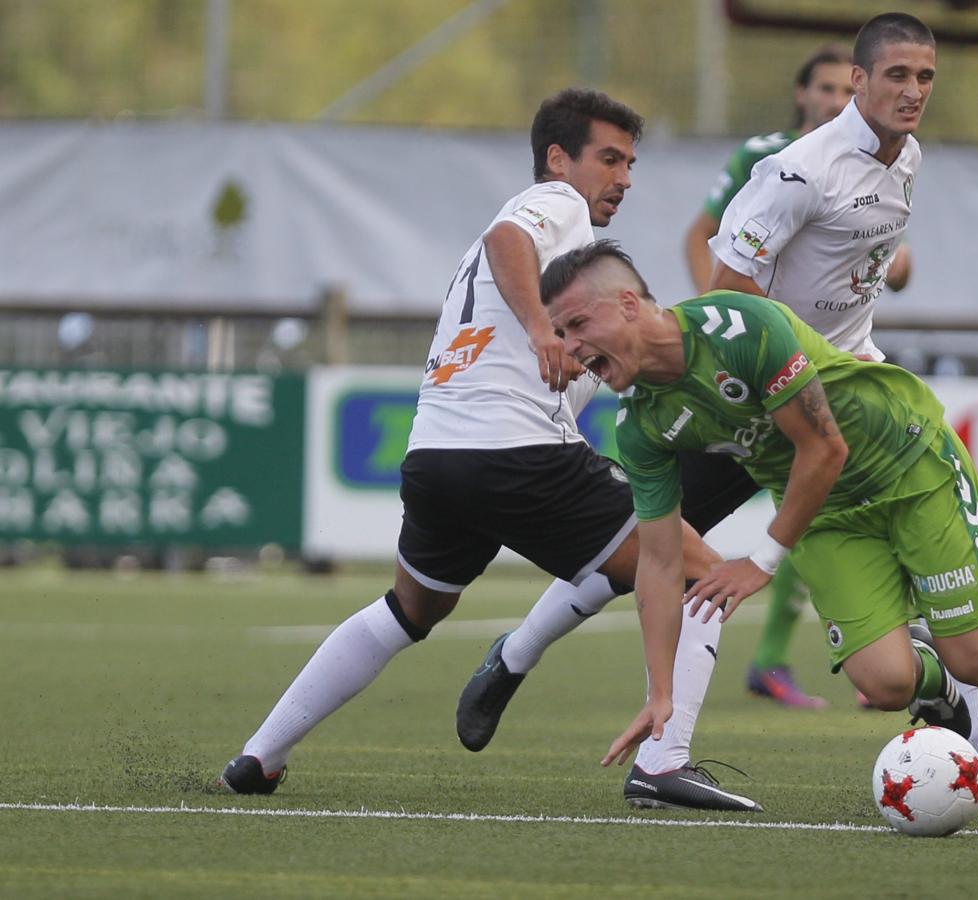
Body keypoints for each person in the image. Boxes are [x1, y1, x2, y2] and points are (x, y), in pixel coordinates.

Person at [215, 88, 761, 813]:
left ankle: (261, 754)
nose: (623, 177)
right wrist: (540, 329)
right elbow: (512, 237)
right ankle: (664, 760)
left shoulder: (557, 263)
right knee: (702, 573)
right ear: (558, 159)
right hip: (518, 451)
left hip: (438, 456)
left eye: (630, 162)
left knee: (410, 609)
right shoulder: (554, 204)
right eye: (608, 158)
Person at [535, 240, 978, 779]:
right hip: (827, 515)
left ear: (629, 305)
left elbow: (824, 447)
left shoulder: (741, 328)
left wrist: (761, 561)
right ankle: (936, 681)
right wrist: (661, 693)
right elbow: (658, 562)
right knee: (886, 684)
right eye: (560, 332)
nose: (570, 347)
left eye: (578, 325)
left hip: (908, 463)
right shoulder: (639, 425)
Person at [700, 12, 978, 791]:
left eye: (924, 77)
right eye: (895, 75)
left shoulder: (908, 158)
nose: (912, 91)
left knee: (973, 640)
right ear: (857, 81)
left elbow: (854, 268)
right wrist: (760, 396)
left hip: (872, 403)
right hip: (792, 411)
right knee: (880, 680)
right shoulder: (796, 173)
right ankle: (647, 730)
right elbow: (722, 300)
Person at [684, 41, 913, 712]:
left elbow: (891, 263)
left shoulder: (891, 160)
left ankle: (934, 686)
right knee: (650, 530)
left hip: (831, 372)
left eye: (922, 77)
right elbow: (708, 245)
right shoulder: (774, 163)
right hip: (753, 378)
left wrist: (885, 260)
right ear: (808, 94)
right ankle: (524, 648)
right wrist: (713, 330)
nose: (830, 101)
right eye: (821, 89)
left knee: (843, 508)